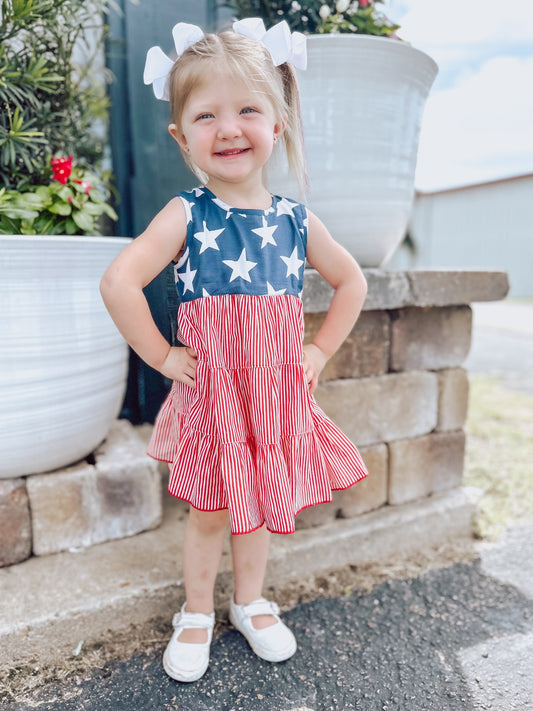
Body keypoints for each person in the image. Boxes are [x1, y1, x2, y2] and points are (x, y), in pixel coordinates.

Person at [100, 17, 369, 684]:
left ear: (275, 124)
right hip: (215, 397)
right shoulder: (187, 213)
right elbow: (119, 281)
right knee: (211, 508)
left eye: (247, 109)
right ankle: (195, 611)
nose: (227, 128)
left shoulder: (296, 221)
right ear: (180, 134)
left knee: (257, 502)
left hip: (271, 400)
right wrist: (163, 357)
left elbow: (351, 281)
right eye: (205, 114)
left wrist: (316, 352)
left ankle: (250, 601)